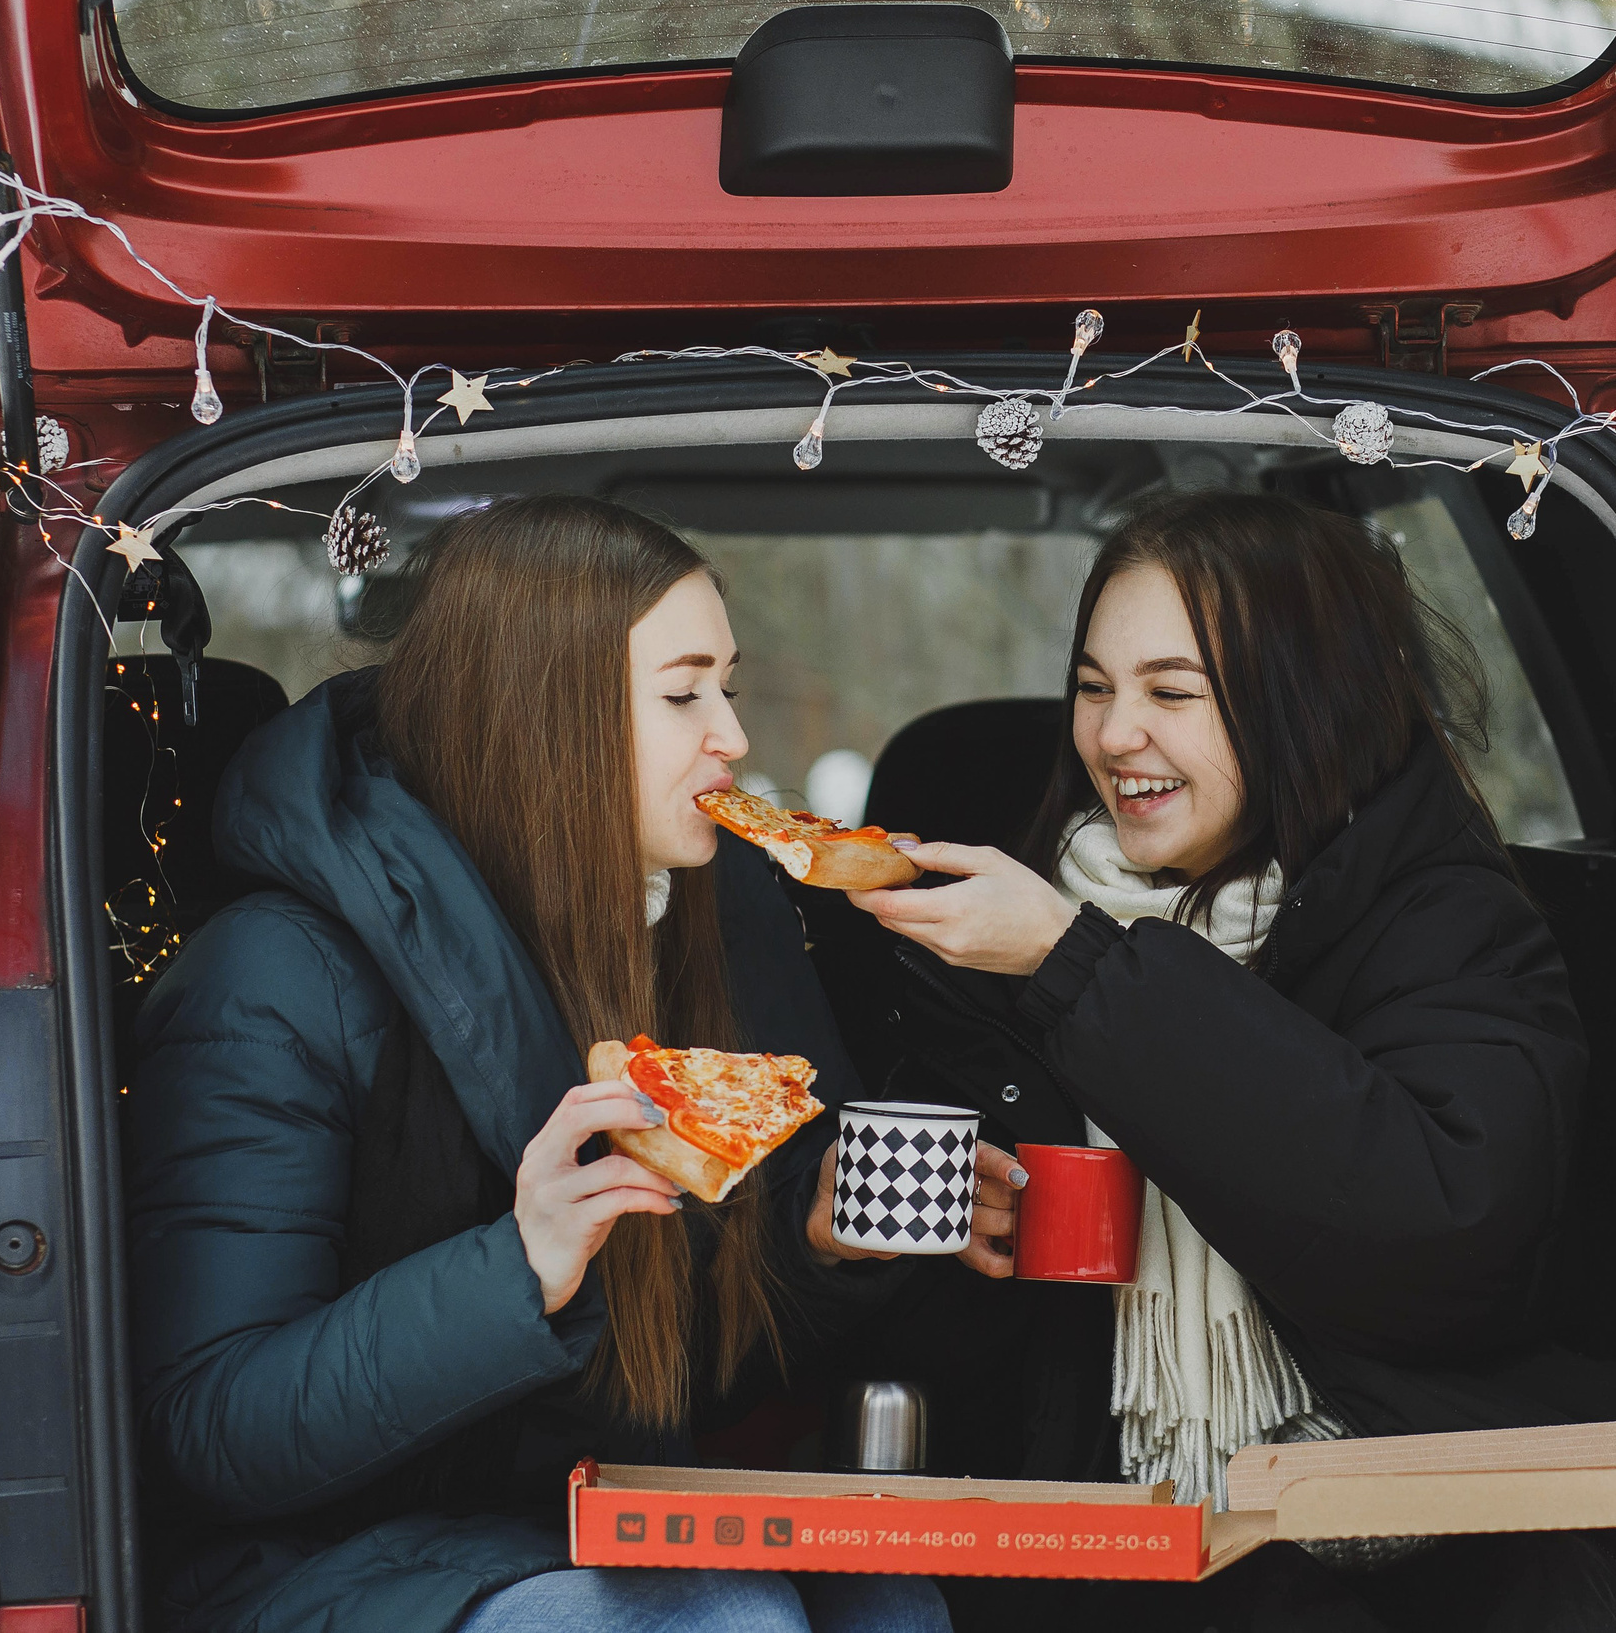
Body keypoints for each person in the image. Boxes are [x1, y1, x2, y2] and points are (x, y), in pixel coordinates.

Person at [124, 496, 1007, 1633]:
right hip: (305, 1562)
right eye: (684, 694)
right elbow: (211, 1431)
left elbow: (673, 1385)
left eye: (725, 687)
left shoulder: (689, 924)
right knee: (721, 1624)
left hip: (579, 1515)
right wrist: (520, 1265)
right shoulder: (278, 976)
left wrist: (814, 1238)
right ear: (546, 717)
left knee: (889, 1606)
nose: (731, 736)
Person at [844, 492, 1616, 1631]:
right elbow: (920, 1354)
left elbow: (1439, 1231)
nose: (1115, 734)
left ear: (1303, 706)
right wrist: (907, 1235)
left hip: (1372, 1558)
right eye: (1093, 688)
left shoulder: (1444, 922)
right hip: (1060, 1531)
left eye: (1171, 693)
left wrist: (1079, 970)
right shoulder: (994, 930)